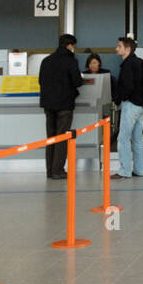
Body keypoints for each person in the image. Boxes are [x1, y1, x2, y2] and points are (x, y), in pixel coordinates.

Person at [38, 33, 82, 179]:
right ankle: (58, 170)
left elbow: (40, 81)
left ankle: (49, 170)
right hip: (64, 104)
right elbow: (77, 81)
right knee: (62, 137)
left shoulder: (46, 60)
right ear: (70, 45)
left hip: (48, 105)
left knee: (50, 137)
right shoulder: (70, 61)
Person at [113, 36, 143, 179]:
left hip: (131, 104)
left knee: (123, 138)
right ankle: (140, 170)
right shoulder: (141, 62)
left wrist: (120, 98)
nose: (116, 48)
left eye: (119, 46)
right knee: (138, 138)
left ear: (127, 49)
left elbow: (128, 86)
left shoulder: (128, 64)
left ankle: (125, 170)